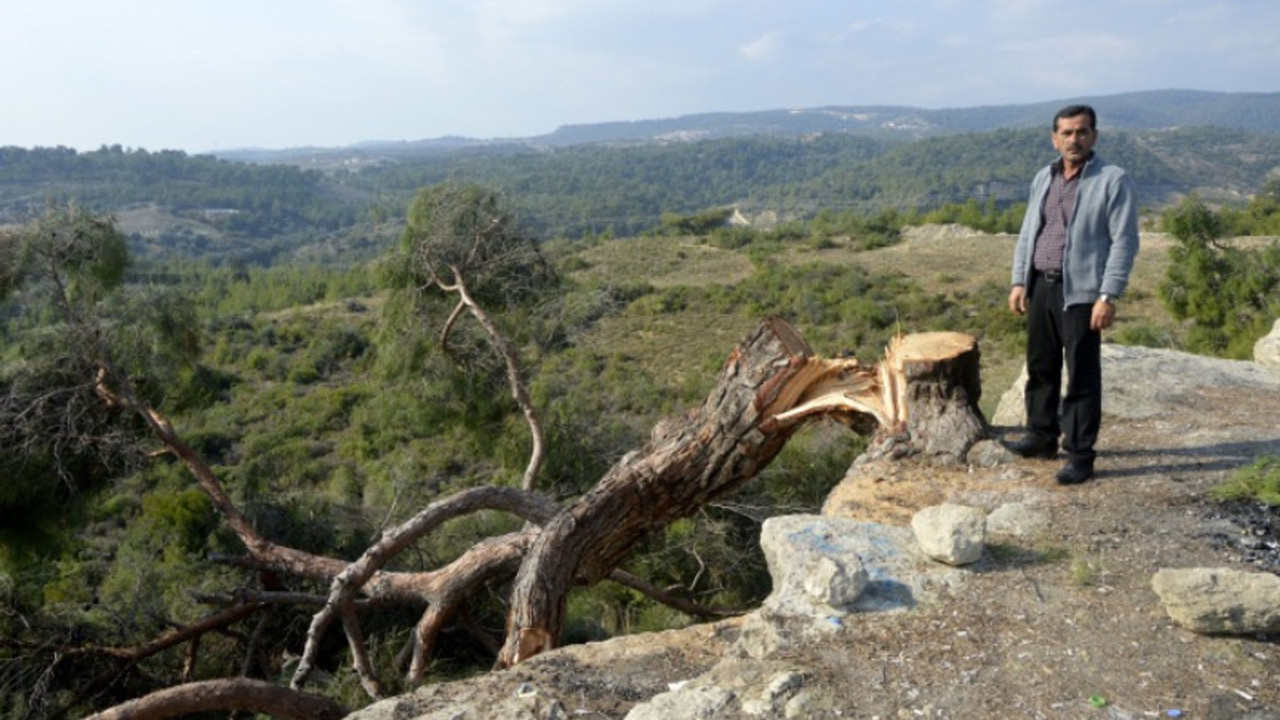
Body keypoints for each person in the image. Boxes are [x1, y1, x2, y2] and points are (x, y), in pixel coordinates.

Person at [1007, 104, 1139, 485]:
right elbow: (1028, 233)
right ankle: (1041, 436)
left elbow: (1124, 241)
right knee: (1041, 365)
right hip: (1041, 285)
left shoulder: (1112, 180)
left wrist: (1108, 295)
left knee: (1081, 374)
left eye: (1082, 132)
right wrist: (1019, 281)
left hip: (1082, 292)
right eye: (1066, 133)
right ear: (1055, 138)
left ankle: (1080, 454)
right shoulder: (1043, 177)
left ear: (1094, 136)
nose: (1074, 139)